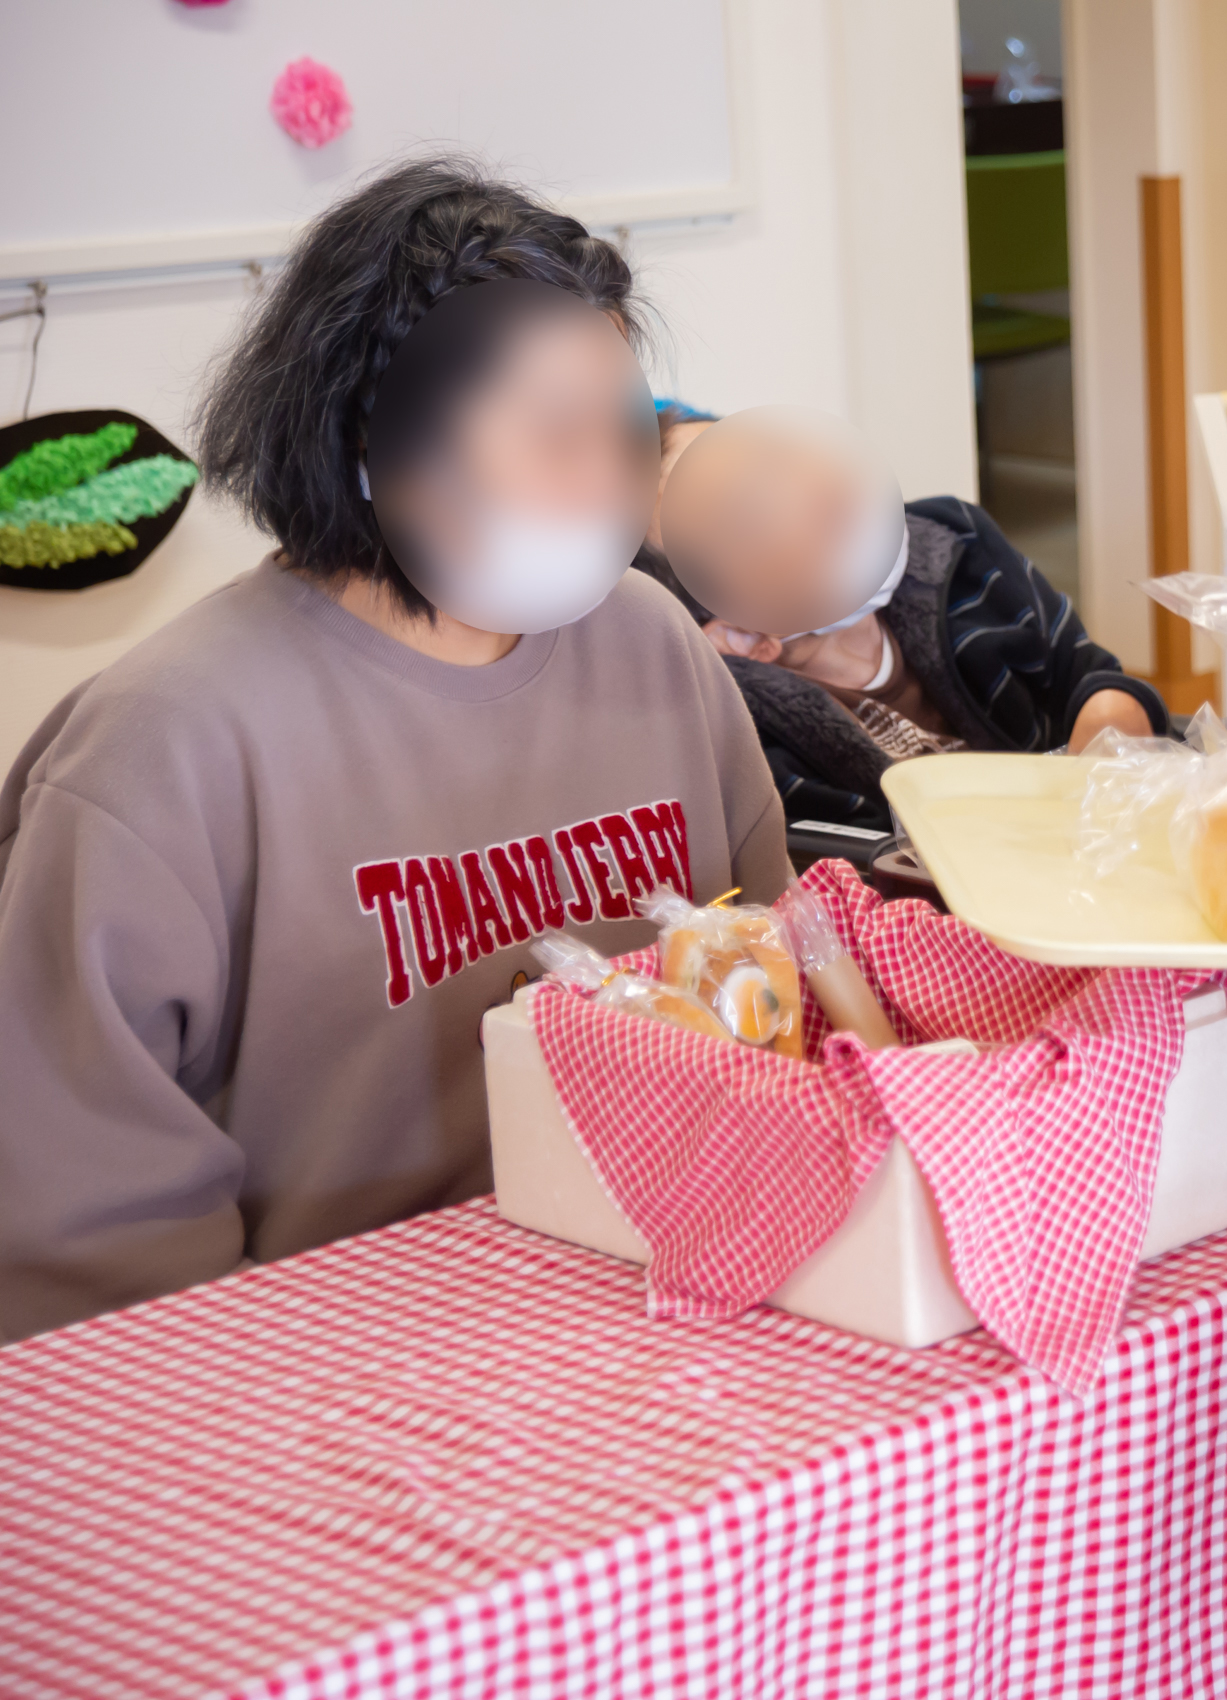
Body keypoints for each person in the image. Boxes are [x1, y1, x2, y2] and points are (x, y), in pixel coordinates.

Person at [0, 160, 791, 1340]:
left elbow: (768, 980)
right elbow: (90, 1238)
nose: (603, 485)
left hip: (664, 1292)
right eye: (552, 435)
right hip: (320, 1367)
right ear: (371, 441)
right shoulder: (164, 744)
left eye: (625, 434)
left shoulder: (649, 640)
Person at [643, 404, 1164, 831]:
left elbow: (1087, 676)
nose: (803, 491)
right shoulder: (752, 747)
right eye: (749, 514)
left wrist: (1108, 716)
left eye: (773, 459)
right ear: (740, 636)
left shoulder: (957, 541)